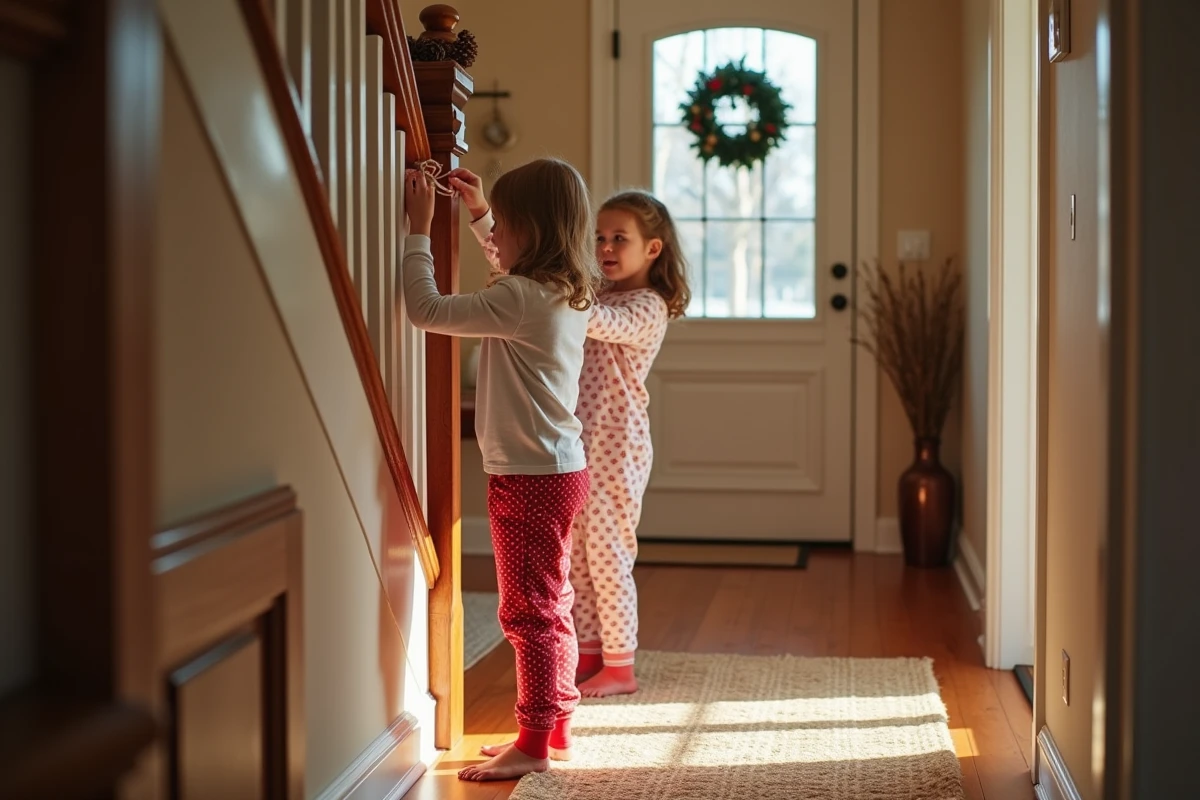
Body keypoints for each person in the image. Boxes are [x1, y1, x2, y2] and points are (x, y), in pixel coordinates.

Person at [454, 175, 691, 706]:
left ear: (652, 249)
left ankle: (620, 663)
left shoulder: (646, 306)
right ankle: (585, 652)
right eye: (600, 237)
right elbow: (520, 272)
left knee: (607, 555)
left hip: (618, 445)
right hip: (576, 446)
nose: (605, 248)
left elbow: (581, 313)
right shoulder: (585, 291)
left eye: (619, 239)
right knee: (573, 560)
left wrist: (548, 291)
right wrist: (482, 216)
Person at [402, 158, 601, 782]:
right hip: (561, 467)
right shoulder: (566, 290)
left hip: (529, 476)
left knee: (527, 613)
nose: (498, 240)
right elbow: (505, 268)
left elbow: (424, 308)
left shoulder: (517, 297)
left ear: (530, 232)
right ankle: (555, 726)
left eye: (505, 227)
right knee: (553, 603)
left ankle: (535, 741)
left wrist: (418, 229)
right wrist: (481, 212)